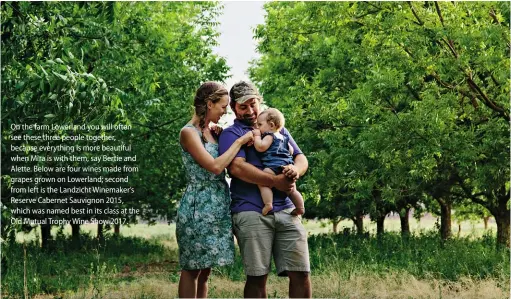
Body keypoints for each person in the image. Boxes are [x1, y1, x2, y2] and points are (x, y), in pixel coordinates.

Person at [218, 81, 312, 298]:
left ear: (259, 101)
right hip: (251, 211)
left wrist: (294, 171)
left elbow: (300, 157)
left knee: (301, 273)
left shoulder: (277, 128)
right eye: (243, 107)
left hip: (287, 210)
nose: (250, 111)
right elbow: (238, 168)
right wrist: (276, 182)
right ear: (233, 107)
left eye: (253, 104)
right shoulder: (231, 134)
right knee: (257, 277)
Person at [176, 81, 254, 298]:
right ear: (209, 104)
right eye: (222, 106)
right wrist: (238, 143)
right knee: (192, 268)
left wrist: (221, 137)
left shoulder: (212, 132)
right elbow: (215, 166)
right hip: (197, 205)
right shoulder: (188, 133)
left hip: (218, 203)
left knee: (206, 270)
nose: (225, 112)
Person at [252, 108, 305, 216]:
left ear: (271, 125)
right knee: (291, 189)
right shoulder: (284, 138)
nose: (258, 127)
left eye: (260, 124)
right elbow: (291, 151)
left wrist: (257, 136)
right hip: (286, 167)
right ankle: (300, 207)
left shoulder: (269, 136)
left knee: (262, 183)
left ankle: (268, 203)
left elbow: (261, 147)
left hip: (272, 165)